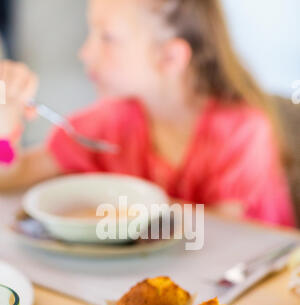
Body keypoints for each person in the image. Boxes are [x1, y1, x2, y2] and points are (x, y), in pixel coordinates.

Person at [0, 0, 295, 226]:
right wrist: (5, 124)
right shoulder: (109, 122)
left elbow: (218, 236)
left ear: (169, 57)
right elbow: (11, 174)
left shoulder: (242, 131)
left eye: (108, 38)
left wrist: (110, 218)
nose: (85, 52)